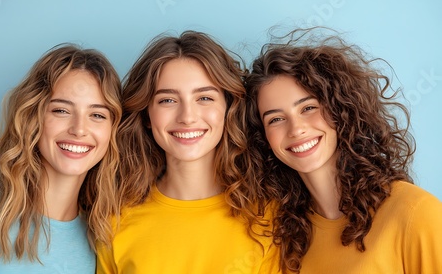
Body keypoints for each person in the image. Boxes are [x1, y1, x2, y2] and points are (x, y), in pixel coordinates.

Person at [245, 27, 442, 273]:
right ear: (262, 137)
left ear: (341, 110)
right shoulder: (285, 238)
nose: (296, 129)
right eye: (275, 119)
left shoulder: (416, 213)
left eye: (308, 108)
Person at [96, 31, 278, 273]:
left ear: (228, 108)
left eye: (204, 97)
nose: (187, 117)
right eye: (168, 100)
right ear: (147, 115)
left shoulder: (268, 217)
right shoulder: (113, 221)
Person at [0, 44, 122, 273]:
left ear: (113, 131)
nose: (79, 129)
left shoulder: (103, 239)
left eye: (97, 115)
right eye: (61, 110)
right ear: (33, 118)